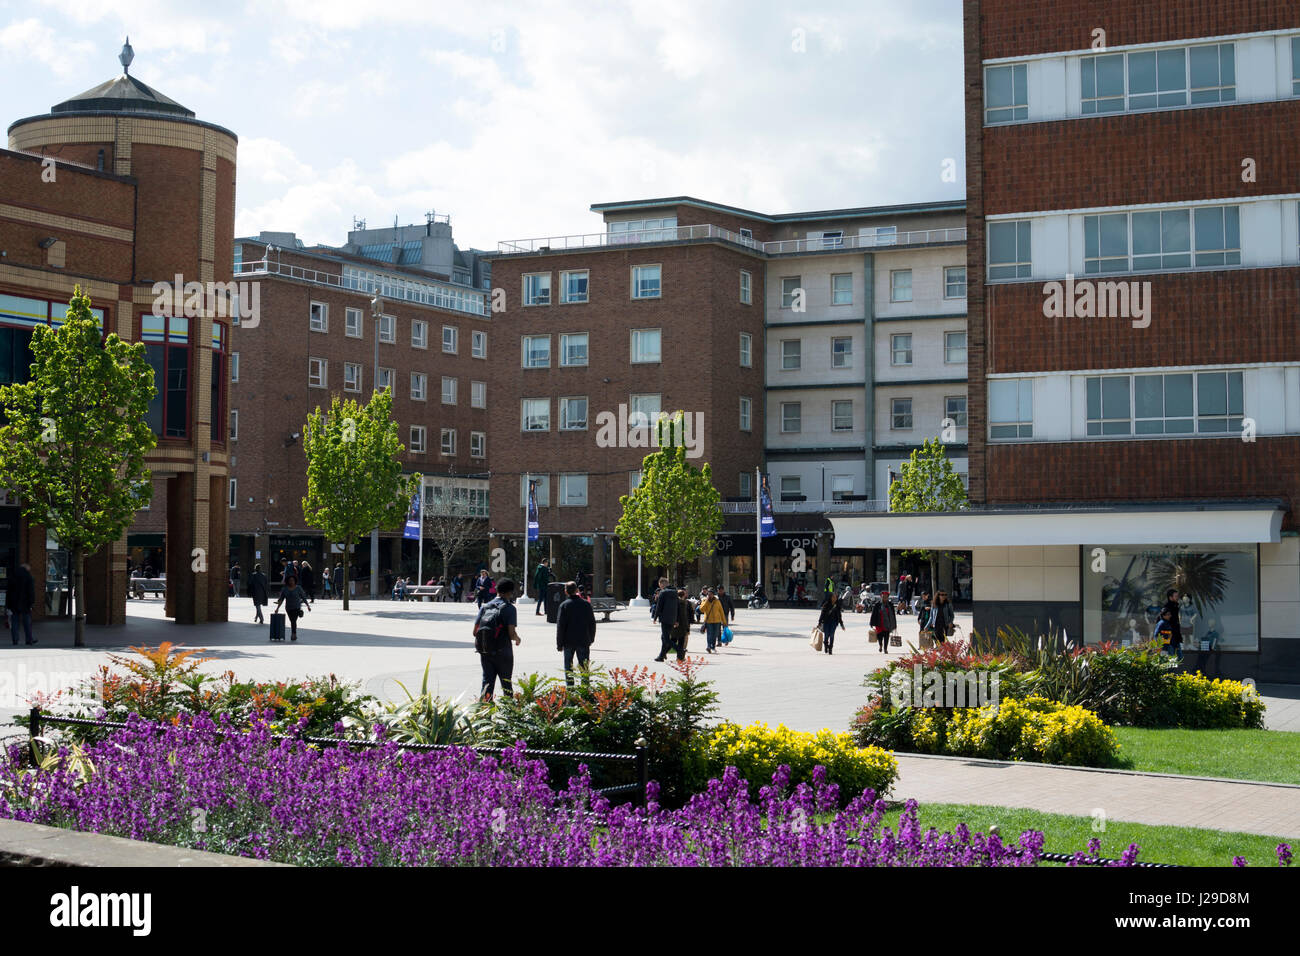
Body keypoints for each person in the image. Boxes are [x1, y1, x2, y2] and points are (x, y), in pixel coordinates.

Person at [473, 578, 520, 700]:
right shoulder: (510, 608)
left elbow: (475, 632)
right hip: (503, 652)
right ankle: (510, 714)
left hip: (485, 651)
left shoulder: (485, 607)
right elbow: (511, 633)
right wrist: (517, 638)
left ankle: (484, 713)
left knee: (487, 683)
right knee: (506, 684)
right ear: (510, 592)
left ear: (497, 590)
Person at [555, 581, 596, 686]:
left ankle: (570, 691)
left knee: (568, 668)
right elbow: (592, 623)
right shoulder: (586, 604)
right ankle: (585, 691)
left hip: (568, 642)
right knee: (584, 669)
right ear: (577, 590)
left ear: (565, 592)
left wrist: (559, 644)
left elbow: (560, 627)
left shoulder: (564, 606)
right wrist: (591, 638)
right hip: (583, 640)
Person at [272, 572, 312, 641]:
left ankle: (293, 634)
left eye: (293, 580)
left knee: (293, 621)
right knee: (292, 620)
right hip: (288, 608)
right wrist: (277, 608)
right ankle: (294, 633)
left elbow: (303, 597)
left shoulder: (298, 588)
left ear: (295, 581)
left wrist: (307, 605)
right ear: (287, 581)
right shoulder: (285, 589)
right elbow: (281, 599)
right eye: (290, 580)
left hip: (296, 607)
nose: (291, 582)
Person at [5, 562, 37, 646]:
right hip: (25, 603)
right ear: (27, 568)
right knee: (27, 622)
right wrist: (32, 602)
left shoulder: (12, 576)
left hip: (13, 603)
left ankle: (15, 640)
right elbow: (31, 591)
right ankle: (29, 639)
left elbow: (8, 592)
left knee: (14, 622)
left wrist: (8, 605)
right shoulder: (28, 576)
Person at [653, 578, 678, 662]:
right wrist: (676, 619)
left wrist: (655, 617)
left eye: (660, 585)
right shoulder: (675, 592)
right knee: (664, 637)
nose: (660, 587)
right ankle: (661, 656)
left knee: (666, 638)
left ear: (663, 584)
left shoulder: (663, 593)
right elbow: (677, 607)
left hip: (664, 618)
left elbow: (659, 606)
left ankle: (680, 650)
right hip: (672, 618)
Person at [700, 586, 727, 654]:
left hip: (717, 621)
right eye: (709, 594)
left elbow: (721, 611)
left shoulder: (717, 601)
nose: (710, 595)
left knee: (715, 634)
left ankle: (713, 646)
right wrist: (706, 601)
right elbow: (701, 609)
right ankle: (709, 646)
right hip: (709, 621)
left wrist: (724, 621)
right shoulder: (704, 600)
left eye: (711, 594)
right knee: (709, 634)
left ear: (713, 594)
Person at [818, 589, 845, 655]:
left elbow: (839, 615)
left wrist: (841, 624)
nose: (834, 598)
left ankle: (830, 648)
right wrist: (819, 622)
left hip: (834, 622)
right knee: (826, 635)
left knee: (832, 635)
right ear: (830, 597)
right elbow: (822, 614)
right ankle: (826, 645)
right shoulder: (826, 604)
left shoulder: (837, 605)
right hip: (826, 622)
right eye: (833, 597)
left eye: (835, 597)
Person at [670, 587, 692, 661]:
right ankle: (680, 657)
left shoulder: (673, 603)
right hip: (681, 626)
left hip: (674, 626)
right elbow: (684, 617)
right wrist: (687, 627)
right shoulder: (683, 603)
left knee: (673, 640)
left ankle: (664, 653)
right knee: (681, 642)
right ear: (683, 596)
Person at [1161, 589, 1184, 658]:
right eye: (1176, 596)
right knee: (1171, 658)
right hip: (1170, 637)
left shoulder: (1176, 606)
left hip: (1176, 636)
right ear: (1170, 597)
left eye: (1177, 596)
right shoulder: (1167, 608)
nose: (1177, 598)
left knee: (1179, 657)